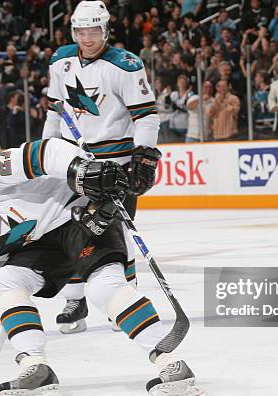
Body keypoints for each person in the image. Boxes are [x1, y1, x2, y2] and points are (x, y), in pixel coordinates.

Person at [0, 138, 200, 396]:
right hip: (43, 245)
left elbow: (43, 152)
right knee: (2, 281)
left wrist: (79, 170)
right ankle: (36, 368)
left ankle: (170, 363)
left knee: (102, 288)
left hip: (79, 214)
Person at [42, 1, 160, 334]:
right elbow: (56, 110)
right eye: (81, 31)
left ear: (105, 30)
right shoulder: (60, 60)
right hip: (72, 161)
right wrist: (45, 152)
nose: (87, 38)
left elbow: (146, 115)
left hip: (115, 163)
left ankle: (124, 298)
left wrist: (144, 155)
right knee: (66, 228)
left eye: (94, 30)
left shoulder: (125, 64)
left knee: (113, 229)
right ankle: (74, 298)